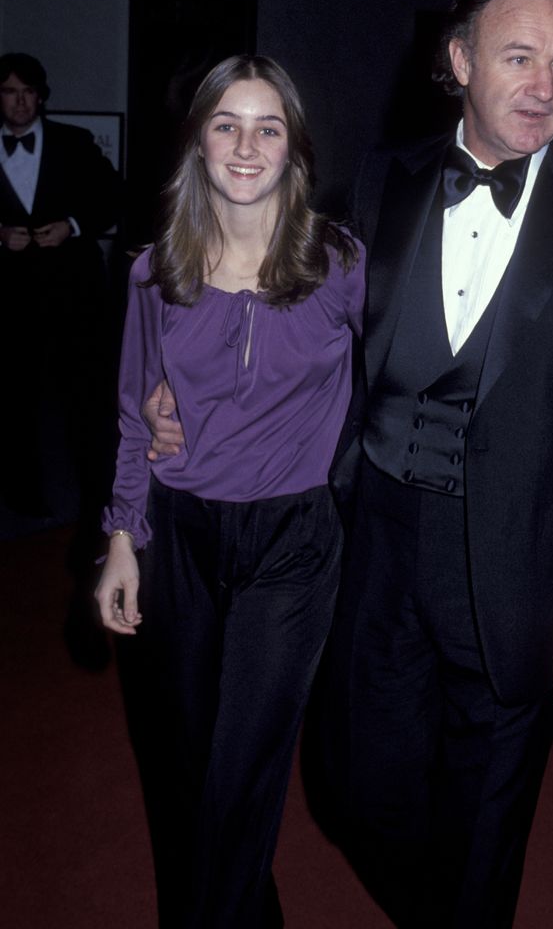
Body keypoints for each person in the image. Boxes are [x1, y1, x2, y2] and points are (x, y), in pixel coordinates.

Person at [147, 0, 553, 927]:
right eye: (518, 57)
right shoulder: (386, 179)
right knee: (354, 785)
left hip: (519, 561)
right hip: (374, 544)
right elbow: (307, 333)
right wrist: (181, 393)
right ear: (457, 61)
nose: (542, 86)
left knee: (486, 815)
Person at [94, 54, 364, 928]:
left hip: (295, 539)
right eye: (226, 125)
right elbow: (138, 414)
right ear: (198, 143)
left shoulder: (341, 266)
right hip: (179, 532)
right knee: (183, 757)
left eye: (268, 127)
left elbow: (404, 380)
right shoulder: (153, 273)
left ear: (294, 149)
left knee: (242, 760)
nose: (246, 146)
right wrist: (123, 539)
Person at [0, 52, 120, 520]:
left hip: (73, 298)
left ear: (42, 96)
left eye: (28, 91)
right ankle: (24, 504)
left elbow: (115, 197)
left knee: (86, 401)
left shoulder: (74, 143)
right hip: (8, 302)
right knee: (13, 402)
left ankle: (99, 503)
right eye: (10, 91)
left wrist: (72, 225)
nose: (20, 102)